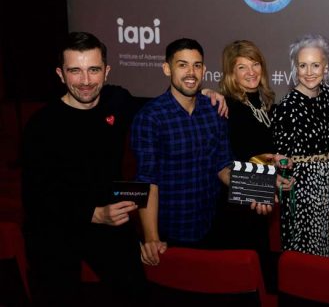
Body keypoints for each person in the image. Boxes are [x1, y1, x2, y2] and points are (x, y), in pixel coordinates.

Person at [21, 32, 146, 306]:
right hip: (58, 225)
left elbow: (157, 112)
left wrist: (203, 95)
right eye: (75, 71)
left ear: (106, 71)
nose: (86, 81)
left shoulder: (117, 100)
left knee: (136, 291)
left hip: (108, 221)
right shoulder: (41, 126)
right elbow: (37, 198)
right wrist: (93, 214)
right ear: (60, 74)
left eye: (94, 70)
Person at [132, 38, 236, 265]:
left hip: (211, 227)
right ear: (167, 68)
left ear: (204, 70)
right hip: (169, 235)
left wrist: (260, 188)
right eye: (182, 65)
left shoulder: (214, 110)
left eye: (196, 65)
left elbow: (223, 165)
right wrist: (151, 237)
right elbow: (146, 180)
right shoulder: (150, 117)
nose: (191, 72)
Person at [214, 39, 293, 251]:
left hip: (261, 196)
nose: (251, 72)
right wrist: (262, 185)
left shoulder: (264, 102)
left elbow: (257, 152)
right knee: (244, 261)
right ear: (231, 73)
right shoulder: (225, 106)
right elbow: (225, 161)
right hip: (237, 202)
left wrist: (277, 165)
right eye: (242, 67)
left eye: (255, 64)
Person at [272, 33, 329, 256]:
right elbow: (279, 157)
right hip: (300, 191)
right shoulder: (287, 107)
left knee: (325, 246)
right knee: (304, 252)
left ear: (326, 67)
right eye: (303, 65)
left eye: (315, 65)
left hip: (328, 187)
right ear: (295, 68)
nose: (309, 72)